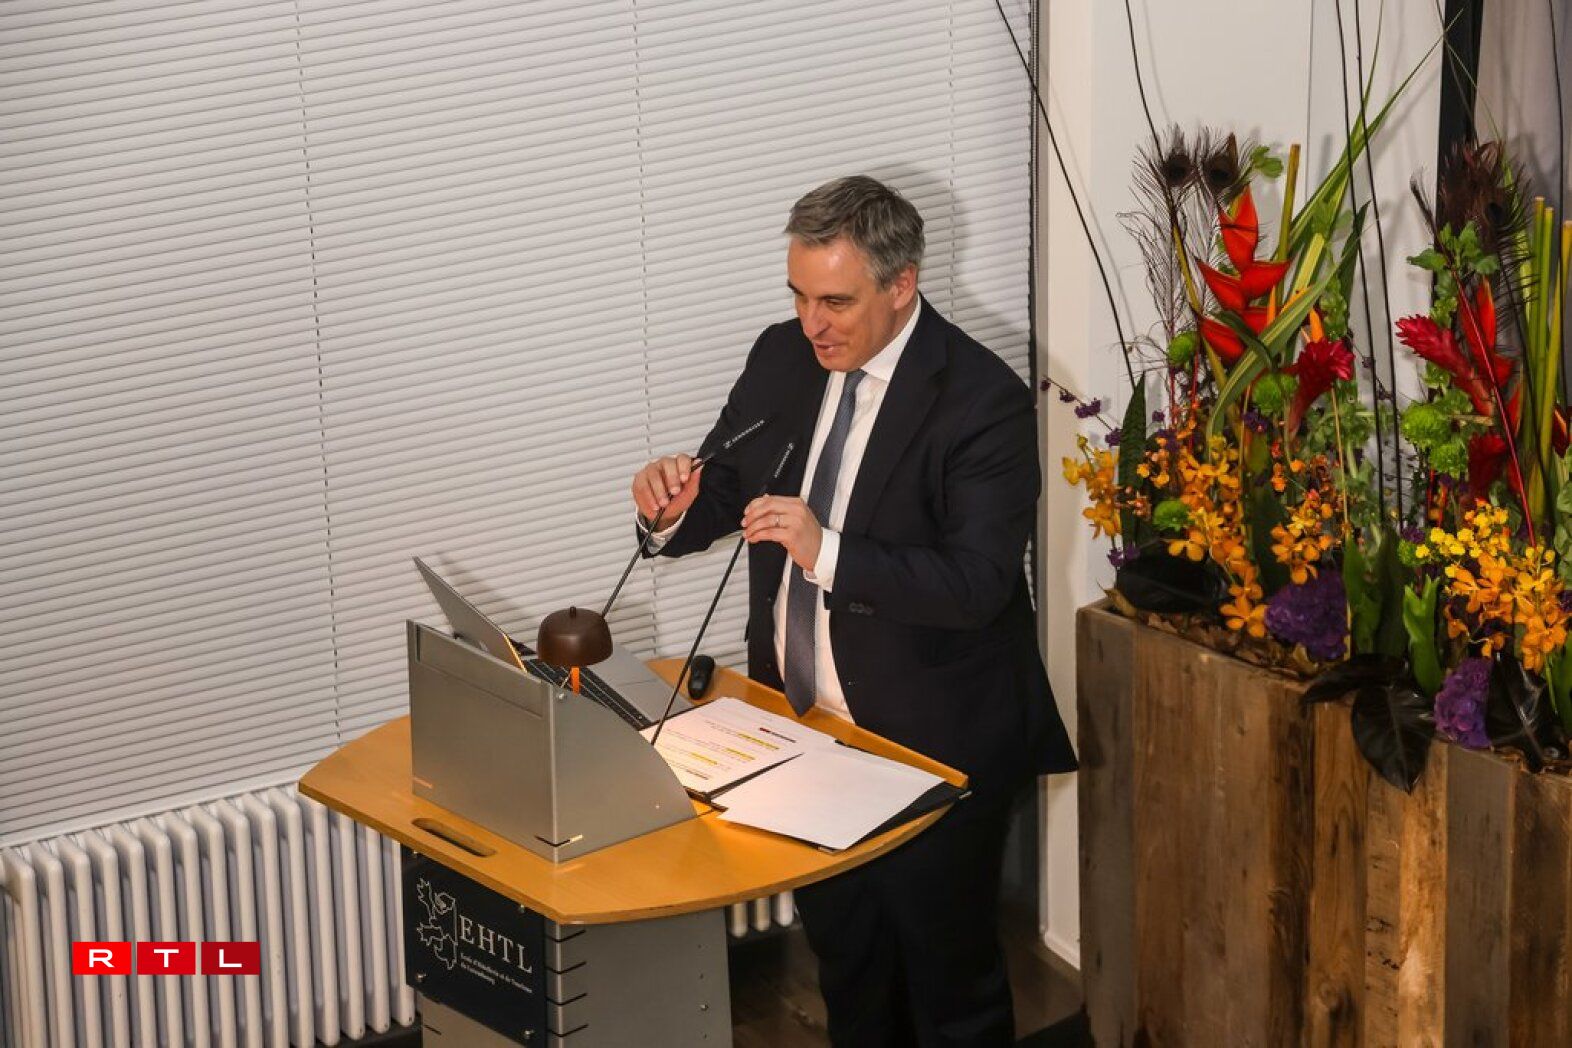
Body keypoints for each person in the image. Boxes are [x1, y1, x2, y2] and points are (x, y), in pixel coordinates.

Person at [629, 175, 1075, 1047]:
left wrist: (824, 550)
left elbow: (978, 584)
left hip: (933, 746)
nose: (812, 324)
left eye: (835, 301)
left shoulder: (981, 399)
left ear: (902, 284)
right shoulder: (781, 356)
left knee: (951, 993)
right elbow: (727, 485)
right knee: (849, 971)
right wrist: (670, 510)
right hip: (803, 729)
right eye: (798, 296)